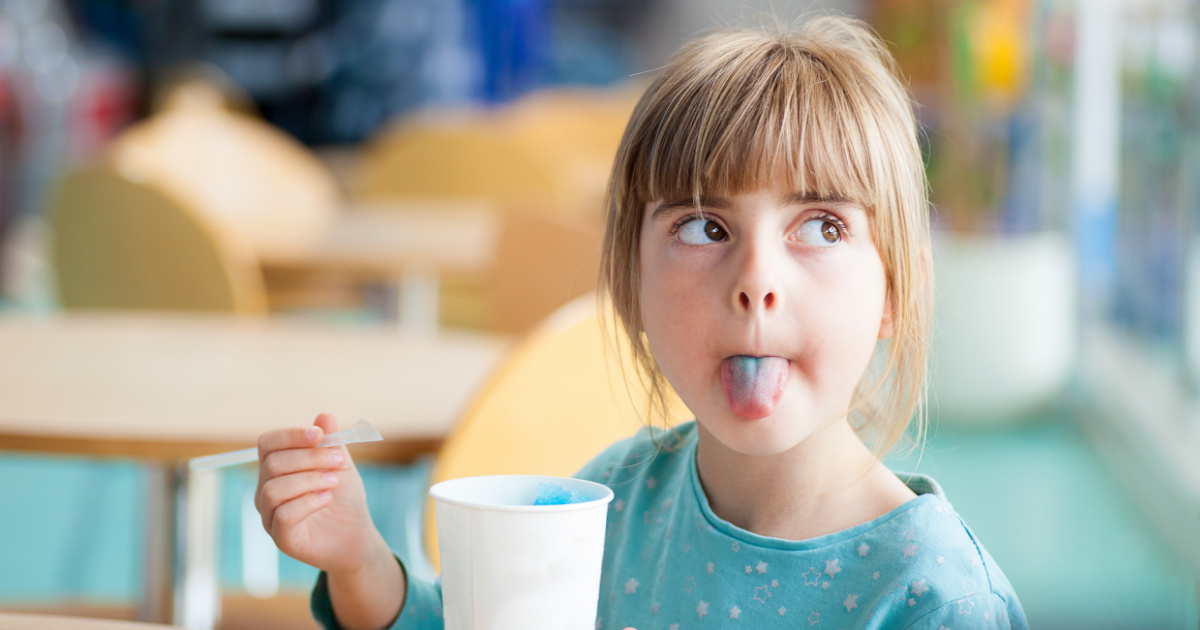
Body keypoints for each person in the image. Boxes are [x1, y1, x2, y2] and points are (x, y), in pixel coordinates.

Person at [255, 14, 1028, 629]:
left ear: (896, 291)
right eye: (703, 227)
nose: (757, 282)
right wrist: (357, 560)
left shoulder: (939, 600)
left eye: (821, 227)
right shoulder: (615, 498)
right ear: (630, 283)